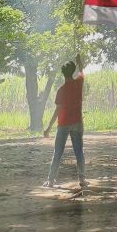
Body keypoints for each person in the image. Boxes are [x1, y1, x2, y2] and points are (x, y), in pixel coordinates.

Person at [43, 53, 86, 187]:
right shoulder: (79, 83)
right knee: (79, 151)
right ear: (72, 71)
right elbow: (82, 72)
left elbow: (57, 110)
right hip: (77, 123)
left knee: (58, 152)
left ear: (63, 73)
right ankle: (82, 179)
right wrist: (79, 61)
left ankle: (50, 180)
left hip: (63, 124)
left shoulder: (61, 90)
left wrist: (49, 127)